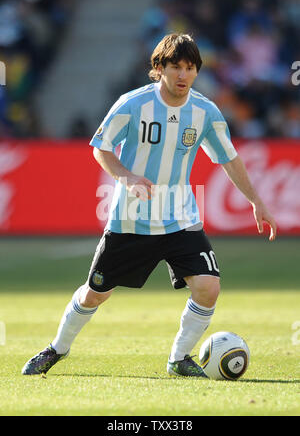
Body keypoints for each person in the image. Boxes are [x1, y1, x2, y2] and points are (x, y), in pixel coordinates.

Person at [22, 33, 277, 377]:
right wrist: (126, 177)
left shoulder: (205, 112)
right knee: (95, 294)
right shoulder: (132, 104)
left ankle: (178, 359)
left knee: (208, 287)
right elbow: (101, 147)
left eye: (190, 68)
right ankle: (57, 348)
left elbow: (229, 159)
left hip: (180, 219)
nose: (183, 75)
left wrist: (256, 201)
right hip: (132, 220)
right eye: (176, 67)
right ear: (159, 68)